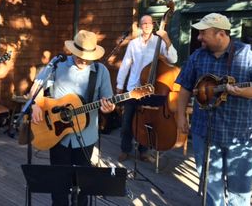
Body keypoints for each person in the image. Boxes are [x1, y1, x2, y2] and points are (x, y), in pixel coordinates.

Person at [176, 13, 252, 206]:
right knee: (210, 189)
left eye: (203, 33)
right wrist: (181, 117)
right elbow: (185, 88)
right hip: (204, 132)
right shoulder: (197, 56)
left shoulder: (251, 54)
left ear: (220, 34)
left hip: (241, 136)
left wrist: (240, 92)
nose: (198, 38)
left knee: (239, 192)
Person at [31, 30, 115, 206]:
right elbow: (36, 87)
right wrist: (36, 105)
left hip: (86, 137)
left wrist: (109, 107)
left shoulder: (101, 72)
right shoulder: (57, 65)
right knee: (58, 181)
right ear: (72, 51)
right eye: (79, 56)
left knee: (82, 183)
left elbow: (108, 100)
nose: (83, 61)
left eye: (87, 57)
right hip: (56, 133)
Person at [116, 15, 178, 162]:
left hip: (151, 89)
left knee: (147, 121)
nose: (146, 25)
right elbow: (126, 64)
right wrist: (119, 85)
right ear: (140, 26)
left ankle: (143, 151)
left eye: (149, 23)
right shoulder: (133, 44)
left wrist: (167, 40)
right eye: (144, 23)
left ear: (153, 25)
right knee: (127, 122)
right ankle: (125, 149)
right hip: (134, 87)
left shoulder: (159, 42)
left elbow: (173, 59)